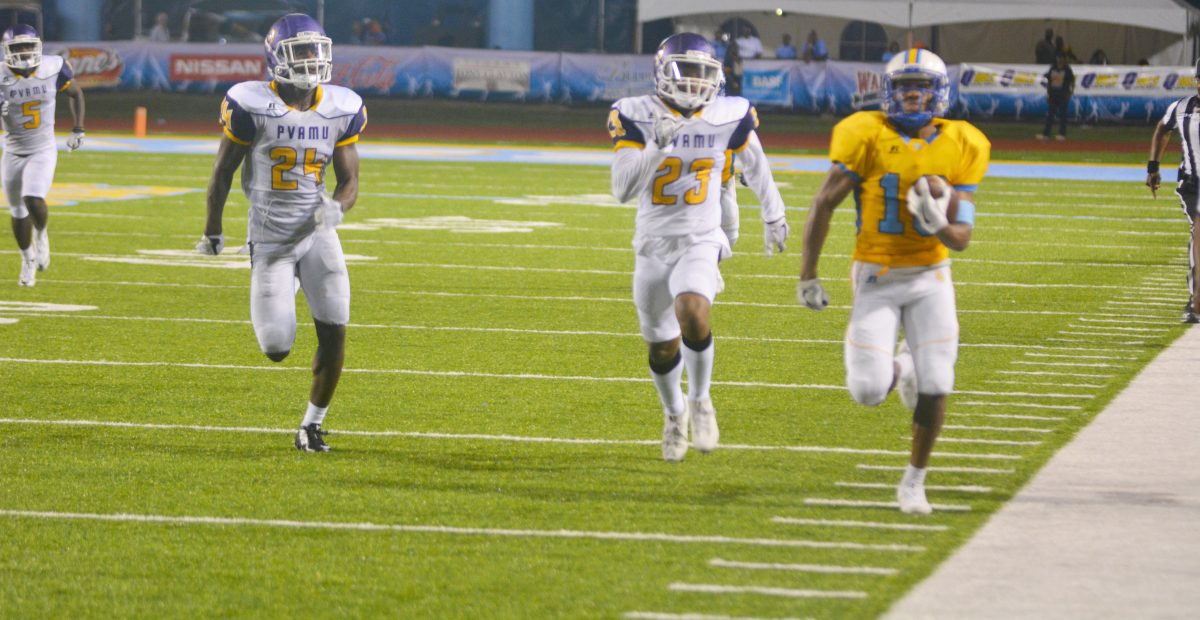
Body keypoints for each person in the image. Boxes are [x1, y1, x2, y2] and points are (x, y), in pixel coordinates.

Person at [796, 48, 990, 514]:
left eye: (920, 86)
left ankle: (914, 481)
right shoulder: (865, 134)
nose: (911, 95)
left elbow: (961, 238)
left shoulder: (963, 142)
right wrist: (808, 274)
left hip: (931, 275)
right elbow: (825, 203)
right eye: (903, 87)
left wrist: (937, 224)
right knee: (866, 391)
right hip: (876, 275)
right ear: (889, 92)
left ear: (938, 92)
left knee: (939, 379)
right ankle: (901, 367)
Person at [607, 32, 788, 462]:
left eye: (703, 74)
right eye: (686, 72)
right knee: (661, 344)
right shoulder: (636, 114)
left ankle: (701, 399)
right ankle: (674, 414)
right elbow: (621, 189)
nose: (694, 83)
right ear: (663, 73)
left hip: (701, 236)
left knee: (692, 308)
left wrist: (773, 213)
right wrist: (657, 145)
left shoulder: (729, 113)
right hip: (653, 242)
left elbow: (756, 165)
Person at [197, 13, 366, 452]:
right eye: (301, 51)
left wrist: (337, 207)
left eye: (316, 50)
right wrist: (213, 231)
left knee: (335, 330)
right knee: (276, 346)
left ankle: (311, 425)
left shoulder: (341, 106)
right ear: (276, 57)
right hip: (270, 237)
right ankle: (283, 284)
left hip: (316, 232)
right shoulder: (250, 103)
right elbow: (221, 174)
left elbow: (350, 181)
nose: (312, 59)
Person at [1, 24, 85, 287]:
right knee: (17, 211)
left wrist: (78, 128)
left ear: (37, 47)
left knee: (33, 197)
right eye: (18, 47)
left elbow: (76, 93)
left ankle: (42, 233)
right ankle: (27, 259)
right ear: (7, 51)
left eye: (28, 46)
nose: (25, 52)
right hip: (13, 150)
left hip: (42, 147)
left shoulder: (53, 67)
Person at [1145, 58, 1200, 324]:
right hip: (1193, 184)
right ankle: (1195, 300)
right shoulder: (1182, 107)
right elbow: (1161, 128)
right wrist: (1153, 167)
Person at [1038, 51, 1074, 141]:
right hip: (1053, 94)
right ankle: (1046, 134)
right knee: (1050, 115)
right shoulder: (1053, 68)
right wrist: (1048, 93)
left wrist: (1070, 93)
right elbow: (1049, 82)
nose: (1060, 60)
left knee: (1063, 115)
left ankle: (1062, 134)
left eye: (1061, 58)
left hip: (1063, 94)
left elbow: (1072, 82)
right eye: (1058, 58)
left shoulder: (1067, 70)